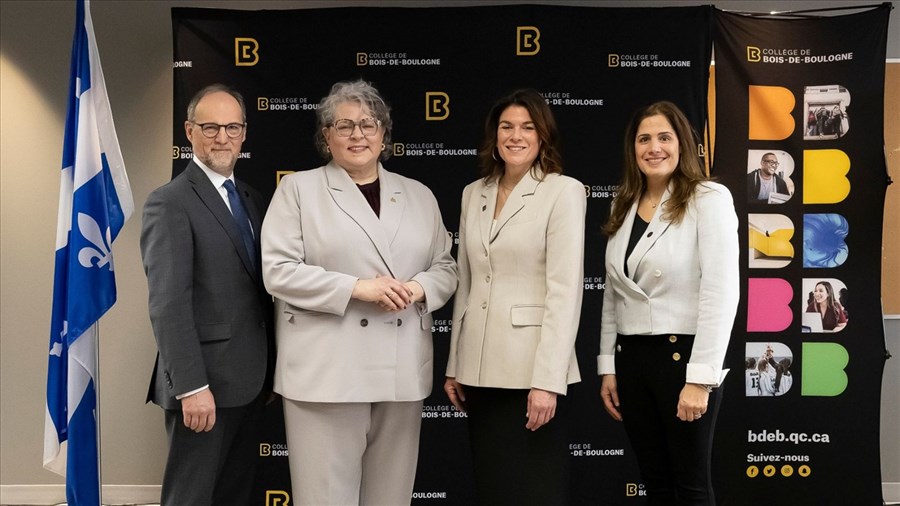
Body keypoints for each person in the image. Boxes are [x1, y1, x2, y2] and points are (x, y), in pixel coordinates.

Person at [261, 79, 457, 506]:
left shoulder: (420, 195)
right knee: (325, 498)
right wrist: (356, 288)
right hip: (327, 372)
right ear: (325, 136)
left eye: (368, 124)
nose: (357, 135)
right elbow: (278, 272)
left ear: (384, 134)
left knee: (391, 497)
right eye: (343, 125)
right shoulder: (298, 191)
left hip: (401, 369)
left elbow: (446, 266)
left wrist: (418, 288)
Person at [444, 89, 586, 505]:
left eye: (528, 127)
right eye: (507, 126)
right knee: (494, 487)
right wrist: (456, 363)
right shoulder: (475, 193)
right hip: (479, 371)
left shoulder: (563, 191)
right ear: (495, 134)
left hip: (532, 374)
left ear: (543, 136)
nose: (516, 135)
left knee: (535, 491)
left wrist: (547, 381)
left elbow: (565, 291)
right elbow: (466, 283)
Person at [597, 101, 739, 505]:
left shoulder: (707, 198)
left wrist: (701, 377)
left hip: (683, 360)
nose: (653, 148)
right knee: (655, 484)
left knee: (691, 486)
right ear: (633, 148)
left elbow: (721, 290)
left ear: (683, 144)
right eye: (644, 139)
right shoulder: (622, 203)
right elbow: (613, 292)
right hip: (633, 360)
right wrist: (608, 365)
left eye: (664, 137)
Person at [140, 84, 273, 505]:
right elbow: (168, 302)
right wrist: (192, 386)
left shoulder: (252, 198)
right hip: (203, 387)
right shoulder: (170, 202)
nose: (222, 137)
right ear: (189, 131)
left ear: (244, 133)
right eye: (210, 127)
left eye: (232, 127)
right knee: (191, 497)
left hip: (251, 382)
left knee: (234, 495)